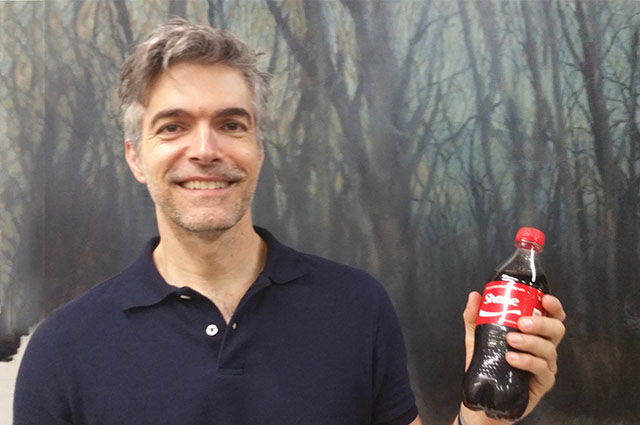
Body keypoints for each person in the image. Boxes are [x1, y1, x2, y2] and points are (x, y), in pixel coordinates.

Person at [13, 19, 566, 425]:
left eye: (231, 124)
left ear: (259, 146)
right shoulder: (62, 350)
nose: (205, 150)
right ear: (134, 155)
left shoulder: (356, 306)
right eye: (173, 127)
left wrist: (485, 415)